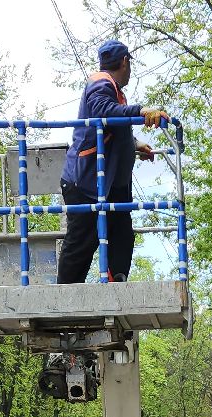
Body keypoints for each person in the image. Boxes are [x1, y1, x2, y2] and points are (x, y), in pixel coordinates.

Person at [56, 39, 169, 285]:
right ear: (125, 62)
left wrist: (134, 143)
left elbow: (113, 126)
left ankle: (116, 283)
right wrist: (140, 111)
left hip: (109, 185)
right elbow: (103, 111)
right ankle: (63, 297)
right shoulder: (101, 84)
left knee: (121, 234)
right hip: (86, 182)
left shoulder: (113, 89)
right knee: (82, 243)